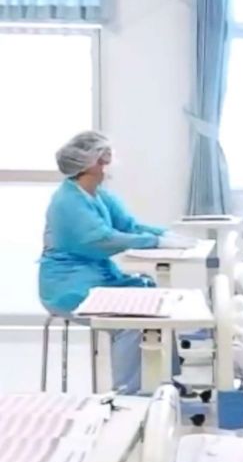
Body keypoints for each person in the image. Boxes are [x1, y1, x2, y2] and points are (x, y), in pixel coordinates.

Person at [39, 131, 192, 393]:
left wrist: (163, 234)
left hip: (97, 278)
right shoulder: (67, 202)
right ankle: (130, 396)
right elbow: (101, 239)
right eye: (104, 156)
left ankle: (166, 379)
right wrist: (153, 243)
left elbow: (128, 225)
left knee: (151, 292)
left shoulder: (96, 194)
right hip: (68, 287)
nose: (109, 162)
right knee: (130, 320)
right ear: (90, 163)